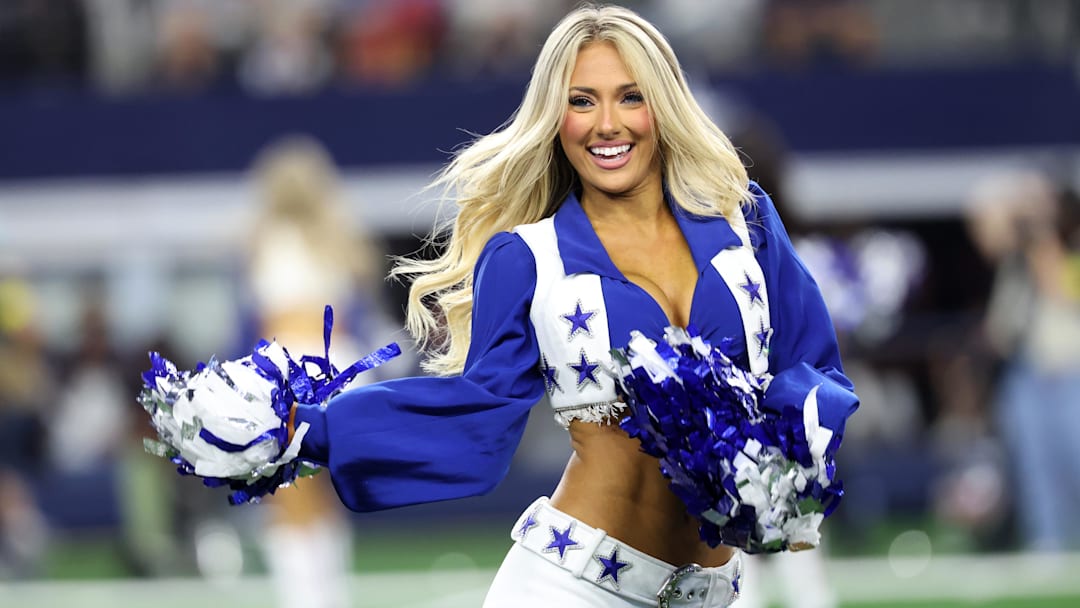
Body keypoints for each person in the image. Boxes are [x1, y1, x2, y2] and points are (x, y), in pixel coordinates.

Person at [284, 5, 857, 607]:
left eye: (630, 97)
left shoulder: (747, 223)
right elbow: (475, 416)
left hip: (719, 594)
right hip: (571, 585)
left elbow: (813, 361)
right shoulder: (527, 256)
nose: (606, 124)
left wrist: (786, 453)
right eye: (582, 101)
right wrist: (304, 430)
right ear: (555, 119)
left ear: (662, 105)